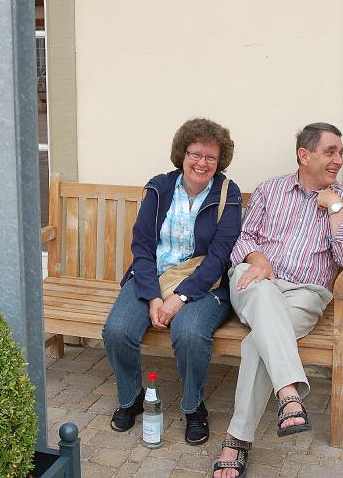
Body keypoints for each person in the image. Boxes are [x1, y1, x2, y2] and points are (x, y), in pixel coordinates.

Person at [213, 122, 343, 478]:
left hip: (305, 295)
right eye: (330, 152)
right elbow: (243, 238)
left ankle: (237, 439)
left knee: (257, 343)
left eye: (341, 153)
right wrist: (258, 259)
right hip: (255, 282)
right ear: (304, 155)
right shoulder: (270, 190)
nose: (338, 160)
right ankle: (288, 393)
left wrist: (335, 209)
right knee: (263, 290)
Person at [102, 118, 242, 447]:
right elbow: (142, 247)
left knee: (190, 333)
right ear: (182, 154)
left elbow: (219, 256)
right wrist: (153, 297)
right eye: (195, 154)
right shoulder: (159, 188)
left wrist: (180, 297)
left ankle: (193, 407)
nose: (202, 163)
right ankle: (131, 398)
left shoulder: (228, 193)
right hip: (152, 276)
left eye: (210, 157)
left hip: (203, 283)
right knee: (117, 331)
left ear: (219, 160)